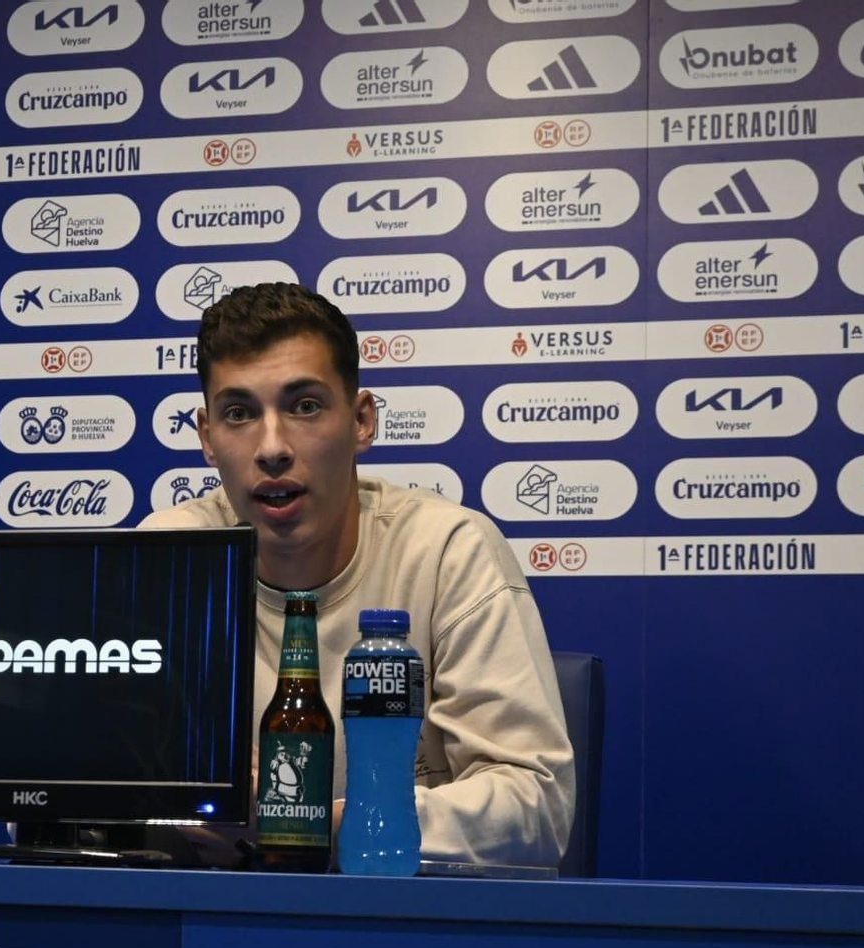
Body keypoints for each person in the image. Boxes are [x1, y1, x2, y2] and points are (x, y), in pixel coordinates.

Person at [142, 282, 574, 868]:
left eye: (304, 405)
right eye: (239, 413)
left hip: (403, 934)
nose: (272, 447)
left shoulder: (446, 549)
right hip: (205, 921)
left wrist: (309, 821)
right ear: (208, 438)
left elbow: (537, 808)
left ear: (362, 421)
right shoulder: (169, 557)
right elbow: (53, 797)